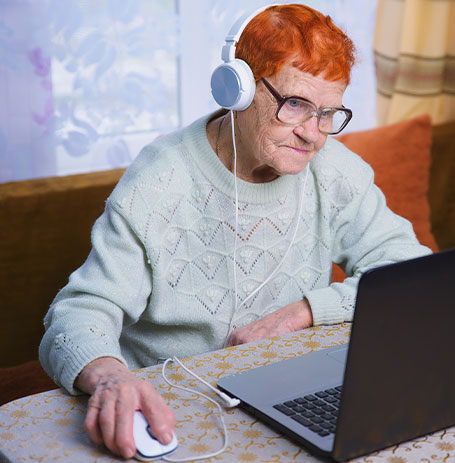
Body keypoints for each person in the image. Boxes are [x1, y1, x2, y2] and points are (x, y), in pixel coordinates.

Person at [39, 3, 432, 460]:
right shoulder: (159, 181)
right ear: (237, 90)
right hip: (177, 407)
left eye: (328, 113)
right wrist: (112, 376)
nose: (315, 136)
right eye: (297, 105)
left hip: (290, 390)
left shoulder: (335, 171)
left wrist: (302, 312)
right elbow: (79, 313)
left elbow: (410, 275)